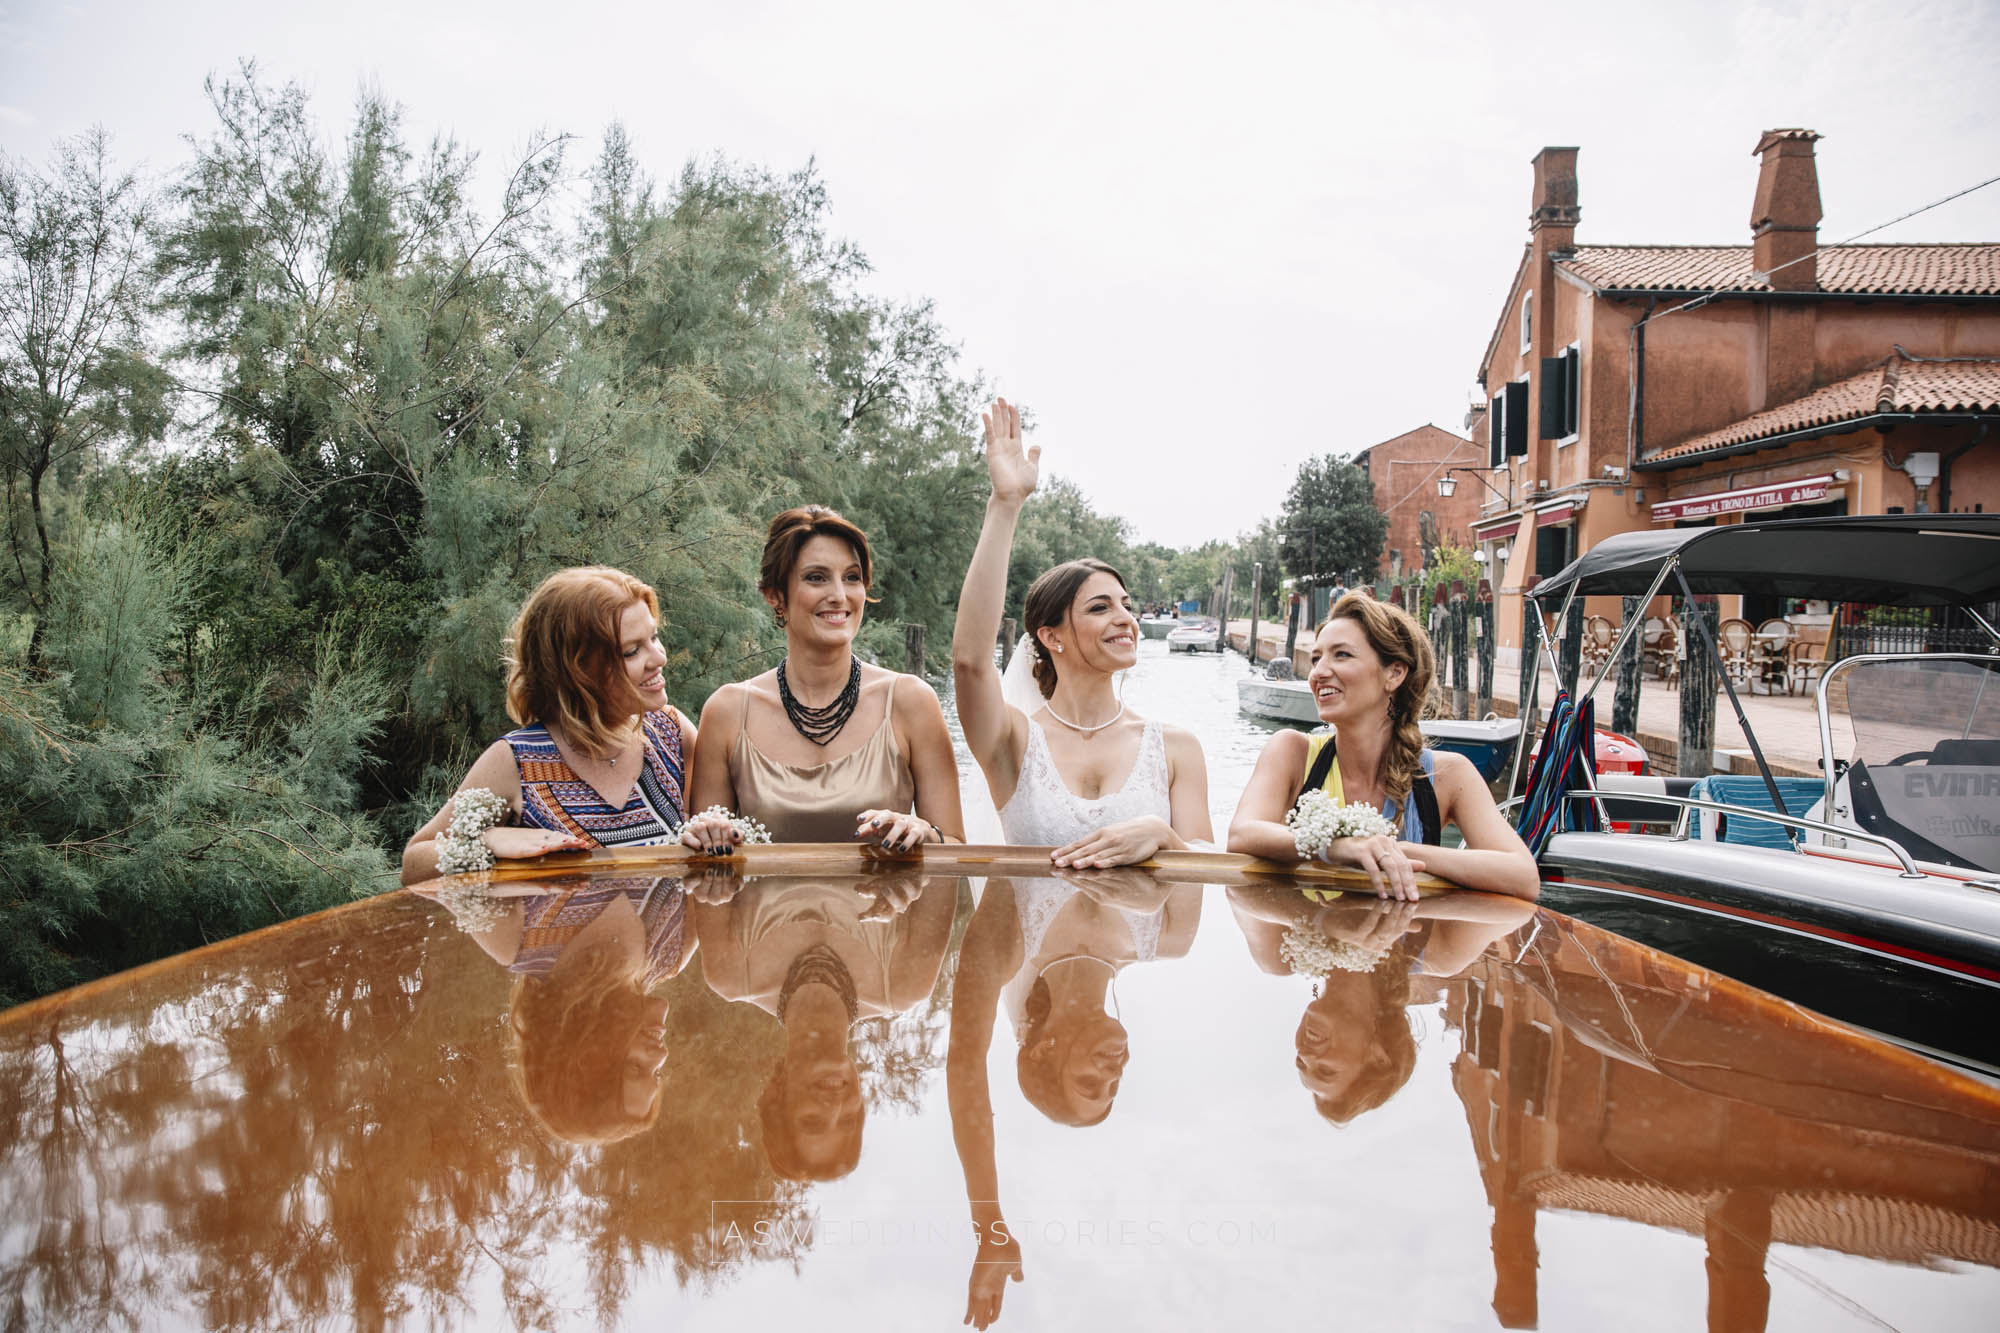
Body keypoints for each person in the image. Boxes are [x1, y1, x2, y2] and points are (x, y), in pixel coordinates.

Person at [951, 397, 1211, 865]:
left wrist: (1161, 835)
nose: (1126, 618)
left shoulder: (1176, 748)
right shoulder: (1011, 741)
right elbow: (970, 661)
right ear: (1052, 637)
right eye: (1100, 607)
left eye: (1126, 606)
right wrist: (1006, 504)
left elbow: (1207, 879)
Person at [947, 870, 1200, 1329]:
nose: (1114, 1075)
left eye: (1090, 1084)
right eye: (1114, 1088)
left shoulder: (1008, 942)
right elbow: (1194, 850)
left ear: (1045, 1048)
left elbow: (964, 1067)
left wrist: (989, 1226)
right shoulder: (1171, 938)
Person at [679, 505, 964, 852]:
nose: (840, 596)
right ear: (775, 596)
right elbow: (705, 861)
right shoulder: (727, 711)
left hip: (880, 908)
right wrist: (709, 835)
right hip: (759, 908)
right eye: (816, 577)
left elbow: (956, 847)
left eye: (852, 577)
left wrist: (923, 832)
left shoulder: (911, 701)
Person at [1227, 592, 1539, 901]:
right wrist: (1337, 846)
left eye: (1341, 655)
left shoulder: (1448, 774)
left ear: (1394, 673)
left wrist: (1399, 852)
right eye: (1316, 658)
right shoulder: (1292, 752)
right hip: (1312, 940)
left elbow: (1522, 876)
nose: (1318, 672)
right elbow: (1243, 834)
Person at [403, 566, 691, 885]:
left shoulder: (673, 733)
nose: (659, 657)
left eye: (654, 636)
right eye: (632, 651)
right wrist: (487, 842)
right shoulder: (517, 761)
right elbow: (414, 864)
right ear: (577, 669)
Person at [691, 870, 957, 1180]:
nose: (834, 1107)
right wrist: (921, 841)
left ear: (775, 1097)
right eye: (847, 1120)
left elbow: (708, 850)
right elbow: (946, 858)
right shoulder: (905, 982)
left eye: (813, 1121)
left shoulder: (730, 972)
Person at [1226, 885, 1536, 1124]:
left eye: (1300, 1063)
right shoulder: (1441, 951)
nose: (1305, 1053)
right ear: (1379, 1055)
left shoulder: (1278, 954)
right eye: (1325, 1070)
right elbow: (1517, 907)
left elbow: (1240, 889)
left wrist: (1320, 920)